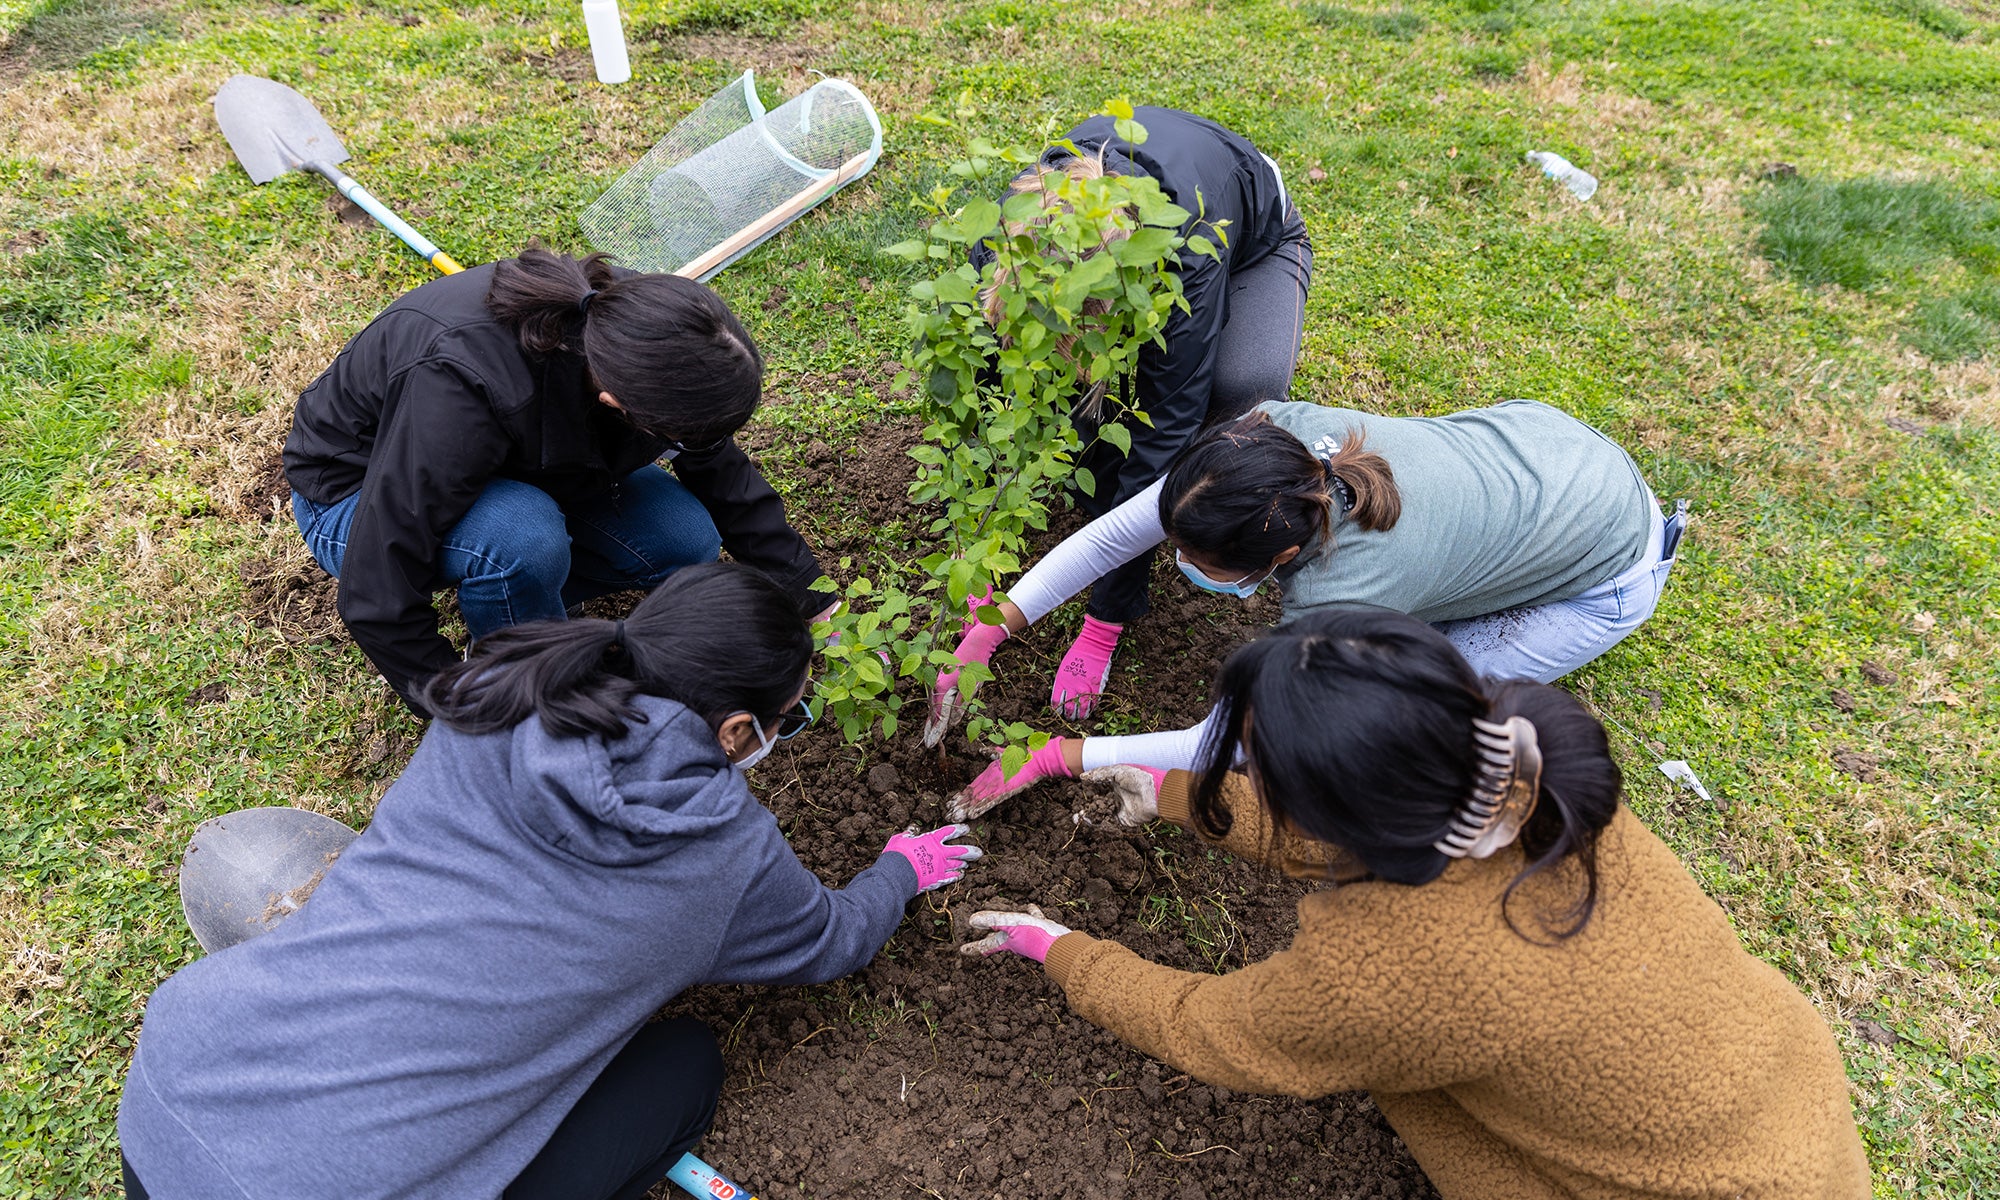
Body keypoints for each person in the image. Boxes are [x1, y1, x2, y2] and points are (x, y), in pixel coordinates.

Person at [118, 563, 980, 1200]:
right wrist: (900, 872)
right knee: (683, 1064)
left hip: (178, 1089)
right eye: (788, 720)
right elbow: (829, 942)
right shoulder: (724, 851)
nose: (784, 734)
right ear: (736, 731)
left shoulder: (500, 691)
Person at [960, 609, 1869, 1200]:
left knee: (1405, 1083)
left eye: (1257, 765)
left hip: (1682, 1185)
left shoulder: (1387, 973)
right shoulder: (1533, 775)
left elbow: (1216, 1030)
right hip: (1791, 1110)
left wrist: (1063, 948)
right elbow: (1382, 822)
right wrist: (1171, 792)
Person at [930, 398, 1687, 816]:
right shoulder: (1266, 443)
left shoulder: (1339, 596)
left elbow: (1241, 742)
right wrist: (991, 630)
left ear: (1282, 559)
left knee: (1412, 702)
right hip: (1553, 450)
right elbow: (1109, 540)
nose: (1179, 562)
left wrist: (1063, 755)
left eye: (1195, 560)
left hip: (1606, 566)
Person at [284, 247, 830, 713]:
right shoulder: (462, 382)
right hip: (353, 493)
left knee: (684, 538)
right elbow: (376, 583)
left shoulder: (649, 334)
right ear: (616, 402)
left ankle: (516, 591)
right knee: (522, 538)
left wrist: (807, 594)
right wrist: (462, 707)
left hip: (514, 463)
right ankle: (515, 665)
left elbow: (714, 461)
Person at [968, 106, 1314, 720]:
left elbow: (1165, 429)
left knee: (1236, 393)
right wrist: (982, 549)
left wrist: (1103, 620)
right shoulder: (1011, 235)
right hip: (1148, 225)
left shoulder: (1184, 257)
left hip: (1251, 237)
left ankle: (1151, 557)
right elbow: (990, 382)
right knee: (1069, 412)